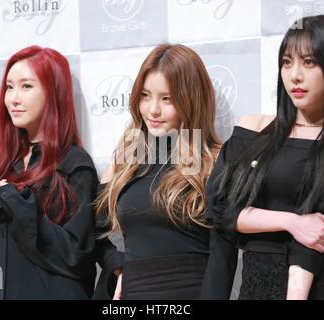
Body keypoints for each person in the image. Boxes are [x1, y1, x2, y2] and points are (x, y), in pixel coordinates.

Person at [206, 15, 324, 300]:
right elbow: (218, 209)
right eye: (286, 61)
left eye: (309, 62)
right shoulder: (251, 128)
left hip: (310, 290)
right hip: (255, 287)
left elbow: (310, 245)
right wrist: (291, 221)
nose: (294, 74)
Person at [0, 45, 122, 300]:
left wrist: (15, 201)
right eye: (9, 87)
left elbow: (76, 254)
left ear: (53, 92)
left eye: (26, 86)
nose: (13, 98)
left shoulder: (73, 165)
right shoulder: (4, 166)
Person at [95, 43, 238, 300]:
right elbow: (94, 229)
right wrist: (117, 265)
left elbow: (223, 258)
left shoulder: (214, 160)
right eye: (145, 95)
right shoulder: (130, 155)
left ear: (191, 100)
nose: (153, 110)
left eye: (167, 98)